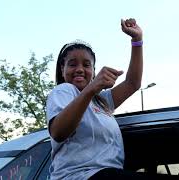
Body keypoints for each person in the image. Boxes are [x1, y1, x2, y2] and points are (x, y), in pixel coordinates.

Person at [46, 18, 144, 180]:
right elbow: (58, 131)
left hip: (108, 173)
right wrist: (91, 88)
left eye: (86, 65)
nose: (79, 69)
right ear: (62, 69)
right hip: (79, 176)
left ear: (93, 70)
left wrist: (137, 40)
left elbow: (132, 83)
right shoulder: (63, 91)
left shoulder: (101, 101)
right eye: (72, 64)